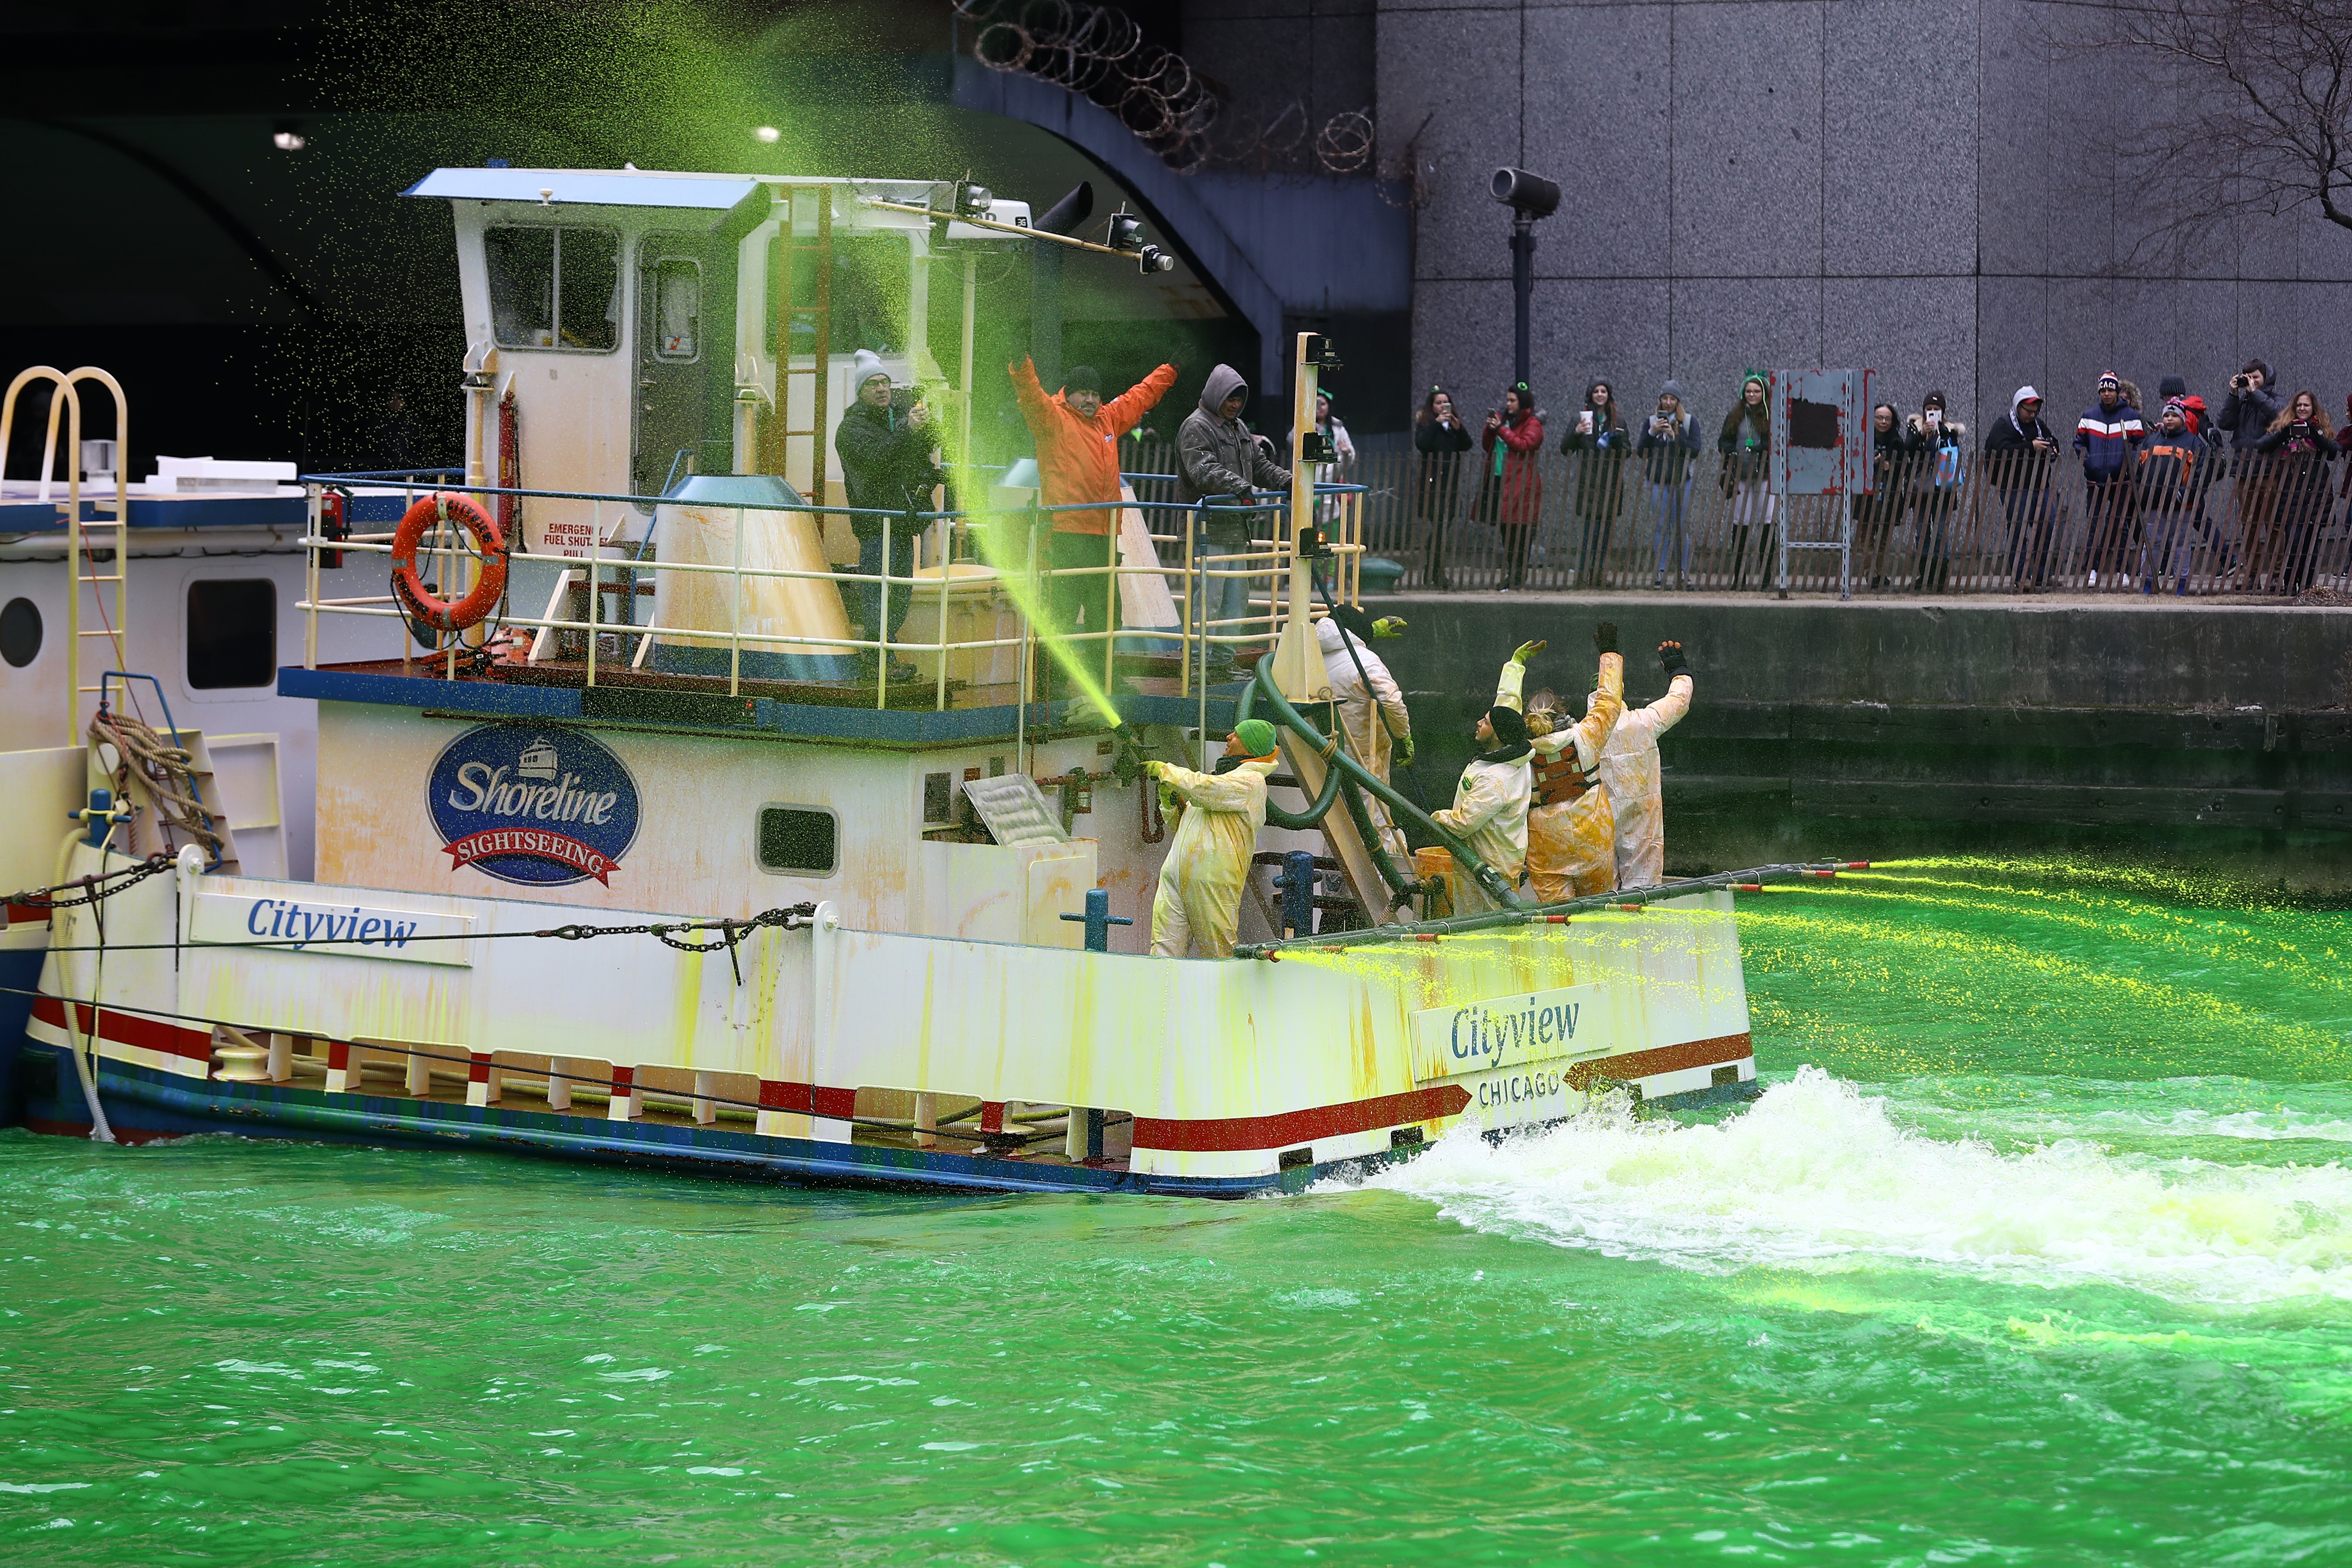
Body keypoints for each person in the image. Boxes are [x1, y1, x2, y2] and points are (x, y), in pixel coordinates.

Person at [1009, 355, 1180, 674]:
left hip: (1102, 536)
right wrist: (1022, 368)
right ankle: (1052, 689)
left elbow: (1140, 396)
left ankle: (1103, 683)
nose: (1089, 399)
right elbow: (1031, 396)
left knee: (1106, 616)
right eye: (1083, 393)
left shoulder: (1109, 418)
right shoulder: (1052, 418)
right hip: (1065, 536)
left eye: (1094, 394)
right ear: (1068, 394)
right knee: (1061, 614)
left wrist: (1170, 369)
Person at [834, 349, 943, 679]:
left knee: (899, 591)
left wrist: (930, 421)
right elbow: (879, 460)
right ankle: (877, 659)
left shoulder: (897, 419)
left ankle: (886, 655)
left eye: (885, 383)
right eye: (874, 385)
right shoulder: (851, 429)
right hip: (876, 524)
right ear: (861, 391)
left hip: (902, 520)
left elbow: (928, 445)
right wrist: (908, 430)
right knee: (879, 593)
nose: (882, 389)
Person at [1176, 364, 1290, 676]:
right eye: (1230, 398)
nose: (1235, 405)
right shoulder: (1196, 426)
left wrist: (1287, 481)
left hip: (1235, 529)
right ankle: (1200, 662)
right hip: (1207, 529)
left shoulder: (1237, 428)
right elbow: (1202, 470)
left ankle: (1222, 661)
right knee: (1209, 601)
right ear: (1217, 395)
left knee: (1236, 603)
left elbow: (1260, 464)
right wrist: (1241, 488)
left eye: (1239, 399)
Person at [1507, 624, 1626, 902]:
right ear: (1563, 710)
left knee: (1556, 919)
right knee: (1600, 910)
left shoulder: (1518, 756)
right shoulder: (1586, 736)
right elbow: (1609, 702)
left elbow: (1502, 712)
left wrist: (1515, 665)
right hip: (1593, 837)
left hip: (1547, 846)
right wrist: (1609, 652)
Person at [1143, 719, 1280, 959]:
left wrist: (1167, 771)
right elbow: (1187, 828)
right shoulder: (1222, 780)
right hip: (1175, 877)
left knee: (1218, 954)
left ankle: (1221, 997)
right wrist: (1170, 802)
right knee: (1163, 954)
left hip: (1213, 882)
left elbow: (1206, 789)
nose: (1228, 737)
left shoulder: (1251, 782)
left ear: (1250, 746)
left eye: (1236, 735)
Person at [1430, 644, 1538, 912]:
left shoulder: (1496, 780)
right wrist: (1516, 665)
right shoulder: (1513, 750)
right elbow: (1508, 705)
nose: (1480, 722)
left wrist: (1435, 817)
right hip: (1497, 857)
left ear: (1498, 736)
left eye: (1486, 722)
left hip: (1488, 866)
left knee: (1480, 926)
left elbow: (1464, 824)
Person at [1599, 639, 1693, 891]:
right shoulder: (1643, 723)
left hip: (1599, 821)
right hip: (1642, 818)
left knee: (1602, 890)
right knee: (1643, 886)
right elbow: (1679, 701)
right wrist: (1678, 671)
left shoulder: (1582, 734)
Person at [2252, 391, 2337, 594]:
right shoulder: (2284, 427)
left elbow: (2335, 452)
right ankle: (2291, 586)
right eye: (2299, 405)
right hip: (2290, 495)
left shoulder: (2321, 429)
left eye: (2306, 405)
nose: (2302, 409)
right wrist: (2285, 434)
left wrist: (2313, 435)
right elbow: (2261, 447)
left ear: (2313, 408)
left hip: (2316, 494)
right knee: (2293, 542)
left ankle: (2307, 588)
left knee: (2311, 547)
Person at [1984, 386, 2061, 589]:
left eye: (2035, 411)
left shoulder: (2038, 425)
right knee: (2018, 529)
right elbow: (2001, 451)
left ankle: (2042, 573)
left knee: (2046, 526)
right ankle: (2021, 576)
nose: (2032, 414)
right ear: (2018, 407)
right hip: (2014, 486)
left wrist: (2053, 448)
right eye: (2028, 410)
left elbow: (2052, 440)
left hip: (2040, 484)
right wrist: (2030, 446)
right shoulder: (2003, 425)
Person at [2074, 371, 2146, 587]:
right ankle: (2092, 569)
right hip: (2095, 481)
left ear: (2117, 391)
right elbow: (2079, 443)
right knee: (2094, 525)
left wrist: (2129, 465)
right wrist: (2089, 463)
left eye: (2110, 390)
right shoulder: (2089, 415)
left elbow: (2140, 445)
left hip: (2122, 481)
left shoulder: (2131, 417)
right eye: (2103, 390)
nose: (2107, 394)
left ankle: (2122, 570)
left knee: (2122, 525)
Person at [2217, 360, 2285, 588]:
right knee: (2249, 525)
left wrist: (2255, 393)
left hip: (2269, 472)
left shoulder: (2276, 399)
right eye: (2248, 377)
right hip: (2245, 472)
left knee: (2274, 524)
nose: (2251, 381)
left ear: (2267, 377)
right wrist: (2233, 394)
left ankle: (2277, 574)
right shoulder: (2243, 401)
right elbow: (2224, 423)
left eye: (2256, 377)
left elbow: (2279, 417)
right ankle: (2253, 575)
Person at [2133, 398, 2209, 596]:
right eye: (2167, 415)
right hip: (2153, 504)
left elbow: (2201, 474)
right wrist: (2143, 492)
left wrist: (2187, 494)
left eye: (2174, 415)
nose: (2169, 419)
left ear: (2183, 419)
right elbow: (2139, 471)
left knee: (2180, 545)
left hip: (2181, 505)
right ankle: (2148, 582)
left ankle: (2181, 584)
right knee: (2152, 545)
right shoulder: (2151, 441)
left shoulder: (2193, 442)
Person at [1561, 380, 1629, 587]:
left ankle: (1600, 573)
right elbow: (1565, 449)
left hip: (1611, 481)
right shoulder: (1580, 418)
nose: (1600, 395)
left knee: (1606, 532)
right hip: (1588, 482)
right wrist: (1576, 432)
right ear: (1590, 395)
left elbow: (1627, 452)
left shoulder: (1619, 420)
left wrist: (1618, 443)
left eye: (1604, 391)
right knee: (1590, 531)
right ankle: (1582, 574)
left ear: (1609, 395)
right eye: (1596, 391)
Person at [1478, 383, 1545, 590]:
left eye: (1513, 400)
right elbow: (1487, 445)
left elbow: (1525, 445)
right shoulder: (1504, 420)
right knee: (1506, 531)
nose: (1508, 404)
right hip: (1499, 480)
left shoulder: (1533, 423)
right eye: (1507, 400)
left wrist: (1501, 430)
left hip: (1521, 484)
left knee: (1520, 533)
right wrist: (1491, 429)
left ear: (1522, 402)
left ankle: (1517, 576)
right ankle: (1512, 574)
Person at [1637, 381, 1702, 587]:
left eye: (1672, 399)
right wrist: (1652, 432)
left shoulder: (1689, 422)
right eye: (1665, 398)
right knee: (1660, 526)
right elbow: (1640, 451)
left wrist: (1675, 437)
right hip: (1658, 480)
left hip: (1682, 479)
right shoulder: (1650, 421)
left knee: (1681, 526)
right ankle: (1660, 571)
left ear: (1678, 401)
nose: (1668, 402)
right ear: (1660, 400)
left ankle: (1683, 571)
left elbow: (1696, 448)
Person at [1414, 387, 1474, 589]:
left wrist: (1459, 428)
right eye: (1438, 403)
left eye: (1445, 403)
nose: (1442, 406)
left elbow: (1467, 445)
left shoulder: (1453, 425)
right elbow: (1422, 444)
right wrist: (1435, 425)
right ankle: (1436, 573)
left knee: (1443, 528)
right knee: (1438, 528)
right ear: (1432, 406)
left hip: (1450, 484)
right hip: (1432, 485)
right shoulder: (1426, 423)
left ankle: (1433, 571)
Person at [1718, 373, 1774, 590]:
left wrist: (1762, 448)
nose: (1752, 395)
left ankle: (1766, 577)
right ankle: (1739, 577)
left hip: (1764, 475)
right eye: (1749, 391)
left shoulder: (1771, 415)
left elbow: (1776, 442)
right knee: (1741, 521)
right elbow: (1723, 440)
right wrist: (1731, 450)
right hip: (1741, 474)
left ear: (1764, 394)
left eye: (1757, 391)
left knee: (1767, 521)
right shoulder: (1735, 416)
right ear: (1744, 393)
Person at [1853, 401, 1917, 589]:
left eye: (1887, 418)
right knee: (1865, 538)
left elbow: (1905, 468)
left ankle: (1881, 575)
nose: (1883, 421)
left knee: (1884, 540)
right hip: (1866, 495)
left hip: (1889, 496)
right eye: (1879, 418)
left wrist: (1891, 466)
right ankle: (1870, 573)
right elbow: (1854, 464)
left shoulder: (1897, 441)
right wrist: (1872, 463)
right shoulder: (1863, 439)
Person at [1906, 391, 1965, 592]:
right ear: (1923, 411)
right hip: (1920, 487)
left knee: (1941, 532)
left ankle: (1941, 577)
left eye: (1936, 410)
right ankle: (1925, 575)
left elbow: (1953, 453)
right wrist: (1922, 434)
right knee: (1922, 531)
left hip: (1944, 487)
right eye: (1929, 410)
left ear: (1943, 411)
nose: (1932, 413)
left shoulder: (1950, 430)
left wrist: (1943, 433)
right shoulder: (1914, 427)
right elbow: (1907, 449)